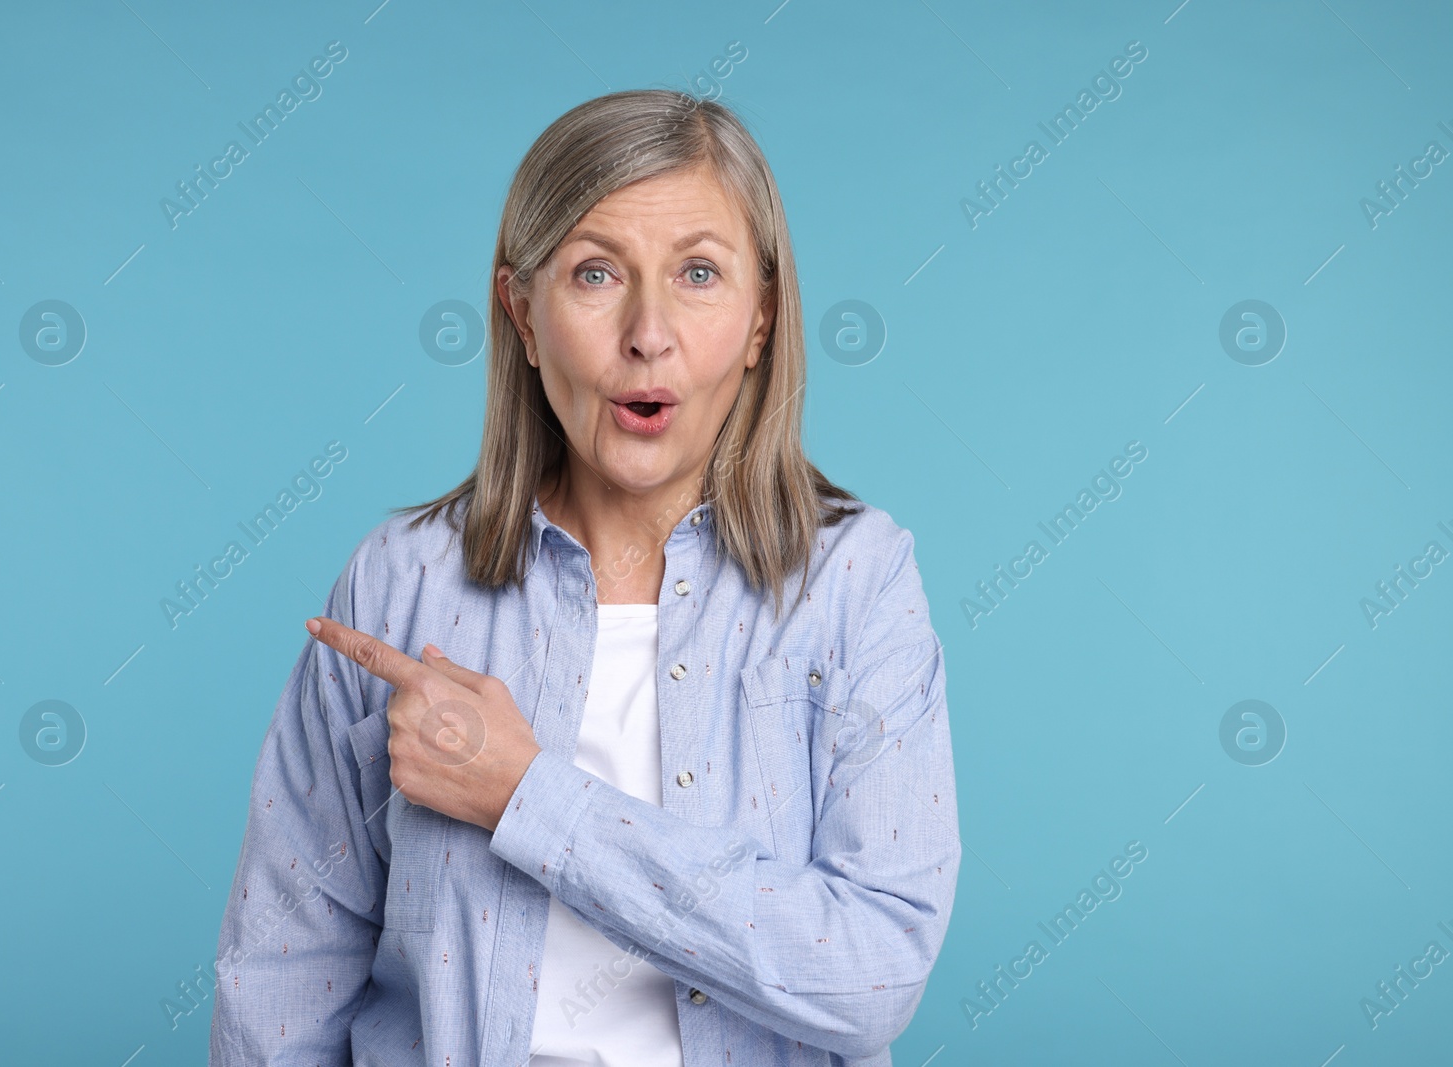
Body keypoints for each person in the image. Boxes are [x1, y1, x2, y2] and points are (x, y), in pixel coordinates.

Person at [208, 87, 959, 1067]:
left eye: (698, 273)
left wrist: (526, 792)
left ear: (762, 320)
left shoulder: (855, 580)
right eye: (596, 273)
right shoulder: (402, 582)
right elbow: (282, 973)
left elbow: (870, 977)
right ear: (521, 313)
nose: (649, 332)